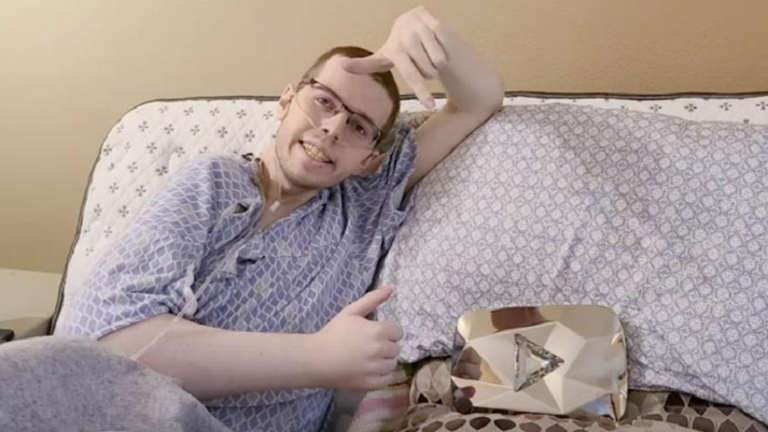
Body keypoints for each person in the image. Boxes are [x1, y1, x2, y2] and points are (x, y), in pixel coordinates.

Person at [56, 6, 503, 432]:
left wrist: (432, 36)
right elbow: (110, 339)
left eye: (358, 126)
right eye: (324, 101)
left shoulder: (364, 203)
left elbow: (478, 99)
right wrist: (316, 358)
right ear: (286, 101)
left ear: (369, 158)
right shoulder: (212, 181)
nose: (333, 128)